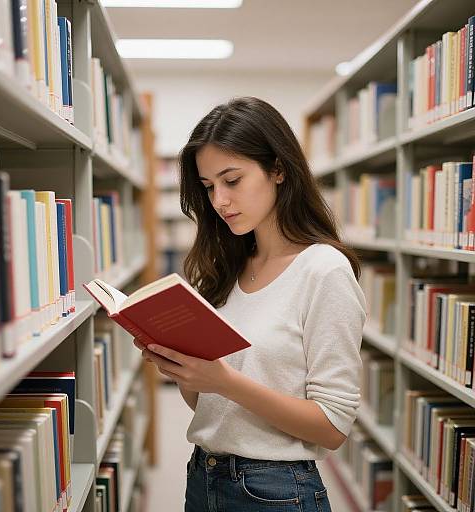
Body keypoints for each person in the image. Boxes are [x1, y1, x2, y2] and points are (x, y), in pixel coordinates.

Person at [136, 96, 366, 511]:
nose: (219, 201)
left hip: (275, 491)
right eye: (208, 187)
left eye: (232, 180)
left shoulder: (323, 270)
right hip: (203, 478)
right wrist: (186, 371)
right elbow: (213, 408)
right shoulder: (231, 267)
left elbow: (332, 427)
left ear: (278, 169)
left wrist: (225, 382)